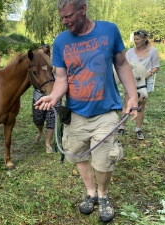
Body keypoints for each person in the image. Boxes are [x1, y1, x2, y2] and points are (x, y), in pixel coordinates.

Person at [34, 0, 138, 222]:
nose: (65, 22)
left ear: (83, 8)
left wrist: (133, 96)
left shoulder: (109, 30)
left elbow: (122, 64)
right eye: (62, 17)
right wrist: (53, 96)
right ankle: (90, 193)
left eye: (69, 16)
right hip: (76, 112)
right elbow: (62, 78)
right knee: (80, 155)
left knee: (104, 160)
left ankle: (103, 196)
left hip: (106, 111)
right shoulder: (61, 41)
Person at [117, 30, 160, 140]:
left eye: (138, 39)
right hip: (132, 82)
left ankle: (138, 130)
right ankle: (121, 127)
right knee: (127, 105)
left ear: (144, 39)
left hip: (145, 83)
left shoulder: (153, 51)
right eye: (134, 39)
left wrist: (147, 75)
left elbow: (156, 66)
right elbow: (125, 67)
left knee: (141, 106)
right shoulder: (130, 52)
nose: (135, 41)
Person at [33, 44, 61, 153]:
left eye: (43, 54)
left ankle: (47, 142)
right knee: (38, 119)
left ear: (48, 54)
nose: (40, 57)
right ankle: (40, 132)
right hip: (38, 98)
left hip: (54, 98)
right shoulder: (36, 68)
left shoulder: (56, 66)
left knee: (51, 120)